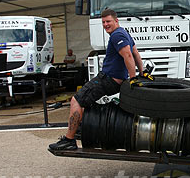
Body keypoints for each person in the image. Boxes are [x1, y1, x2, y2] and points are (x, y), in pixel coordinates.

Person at [49, 9, 151, 150]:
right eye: (103, 22)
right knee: (86, 101)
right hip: (112, 80)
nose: (105, 24)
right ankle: (80, 127)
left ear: (116, 21)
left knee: (76, 100)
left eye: (108, 21)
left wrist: (133, 78)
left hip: (108, 80)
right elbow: (135, 53)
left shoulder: (117, 35)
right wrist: (143, 71)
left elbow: (128, 56)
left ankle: (69, 140)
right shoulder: (124, 32)